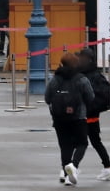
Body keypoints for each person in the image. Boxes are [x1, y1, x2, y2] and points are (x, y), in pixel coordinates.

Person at [45, 53, 95, 186]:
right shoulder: (81, 79)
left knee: (65, 146)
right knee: (82, 143)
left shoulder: (55, 79)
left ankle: (67, 176)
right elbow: (90, 97)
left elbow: (47, 98)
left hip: (59, 118)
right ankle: (74, 165)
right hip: (78, 117)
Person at [77, 48, 110, 181]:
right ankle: (108, 168)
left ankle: (72, 168)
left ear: (87, 59)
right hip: (93, 114)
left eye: (81, 58)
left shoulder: (86, 76)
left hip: (84, 115)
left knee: (79, 142)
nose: (79, 61)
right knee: (95, 142)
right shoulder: (95, 74)